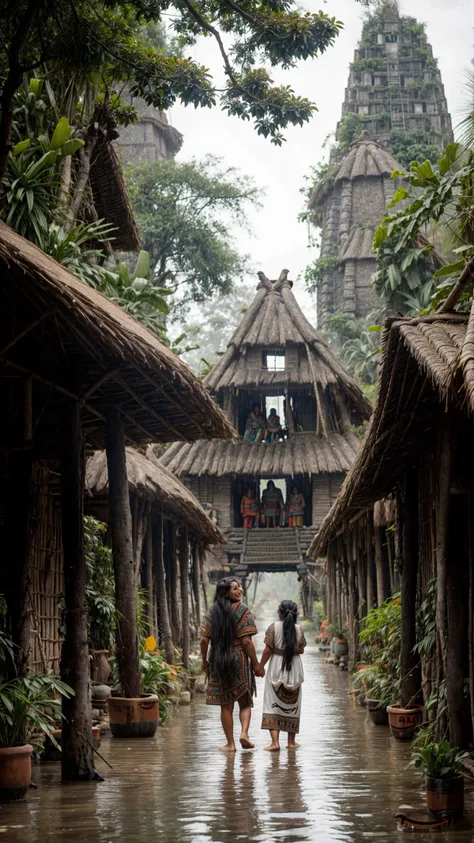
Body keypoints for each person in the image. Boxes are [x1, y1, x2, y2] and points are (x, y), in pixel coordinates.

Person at [200, 577, 264, 751]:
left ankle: (230, 744)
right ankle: (244, 733)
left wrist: (204, 660)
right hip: (239, 657)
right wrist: (257, 665)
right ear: (226, 592)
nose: (240, 590)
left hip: (218, 658)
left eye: (240, 587)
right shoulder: (242, 610)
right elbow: (247, 642)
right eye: (235, 588)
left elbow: (204, 639)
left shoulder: (212, 611)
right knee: (244, 701)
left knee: (225, 704)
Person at [259, 600, 306, 751]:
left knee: (272, 703)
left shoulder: (273, 628)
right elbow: (301, 649)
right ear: (295, 614)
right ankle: (291, 742)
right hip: (294, 667)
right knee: (293, 704)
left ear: (279, 612)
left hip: (277, 666)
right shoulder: (299, 630)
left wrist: (260, 666)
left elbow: (267, 650)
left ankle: (275, 743)